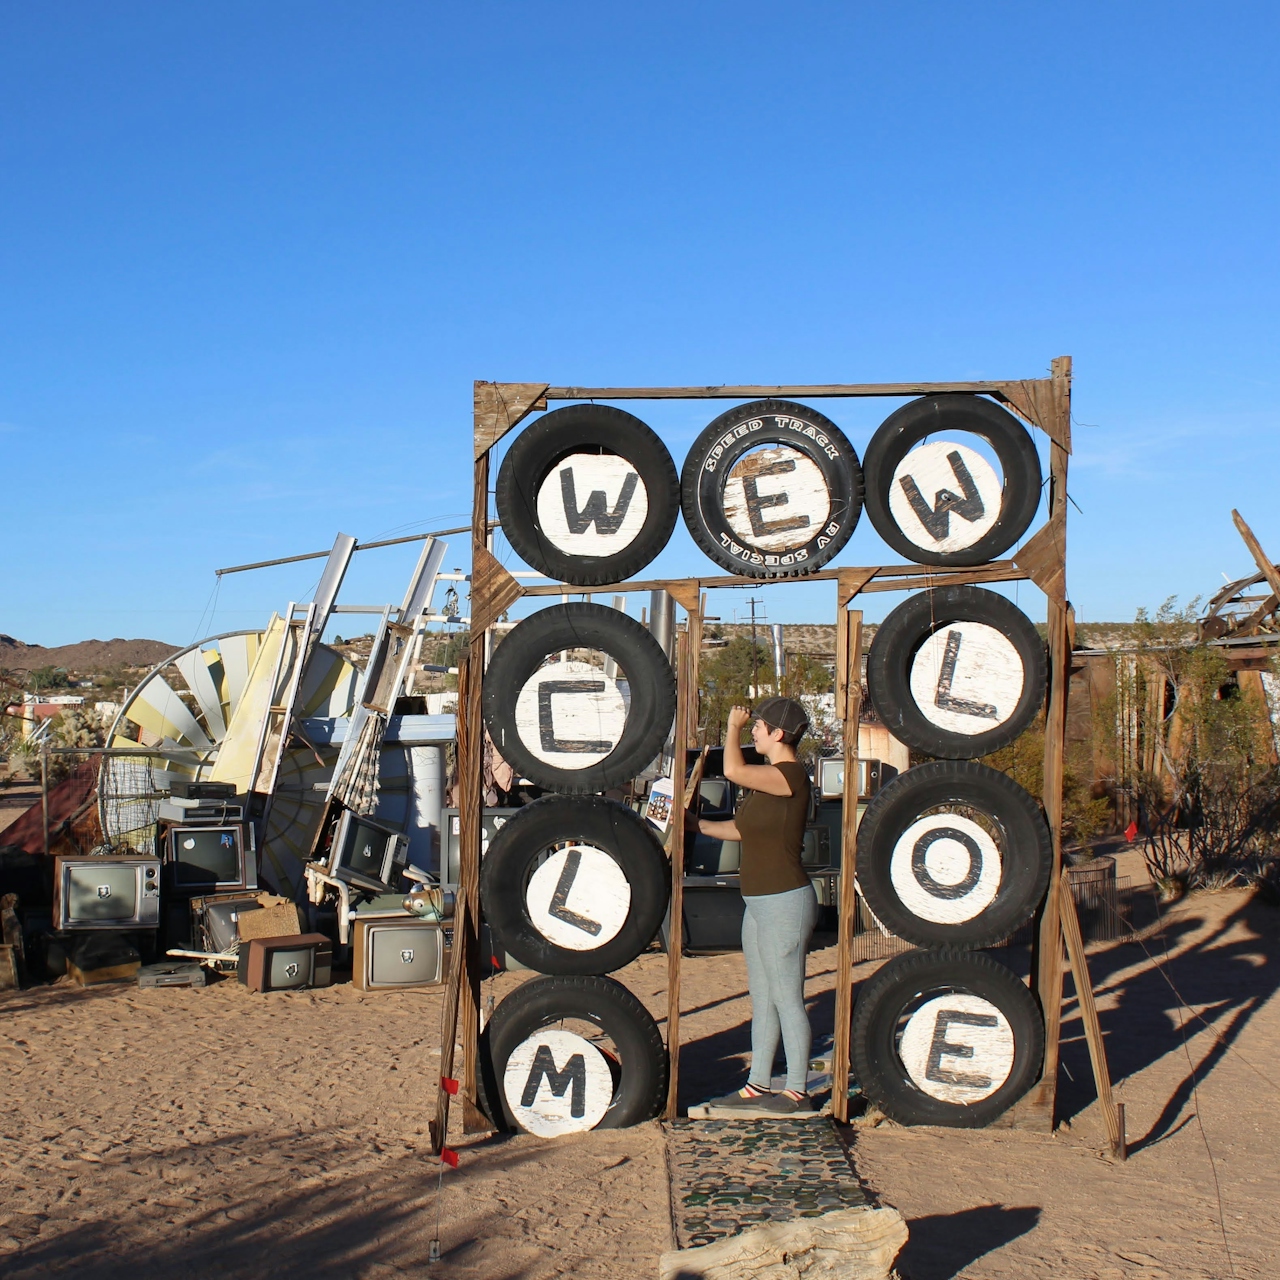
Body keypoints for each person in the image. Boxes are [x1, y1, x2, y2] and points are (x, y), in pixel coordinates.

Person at [697, 697, 818, 1114]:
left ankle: (798, 1090)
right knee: (763, 996)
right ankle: (758, 1084)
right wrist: (696, 826)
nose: (753, 730)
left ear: (778, 734)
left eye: (759, 726)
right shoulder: (767, 783)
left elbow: (731, 769)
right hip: (759, 902)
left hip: (786, 900)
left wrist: (730, 727)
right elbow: (742, 830)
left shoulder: (790, 776)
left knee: (787, 996)